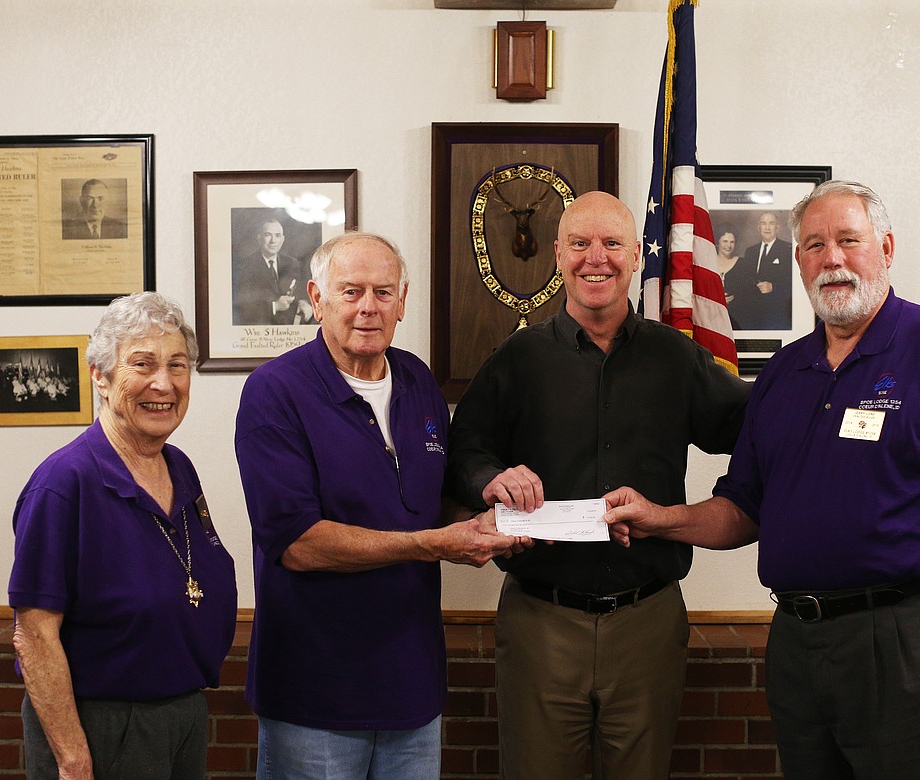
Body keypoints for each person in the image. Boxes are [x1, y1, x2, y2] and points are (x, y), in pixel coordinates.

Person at [605, 180, 920, 780]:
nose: (831, 258)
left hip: (917, 642)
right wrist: (660, 518)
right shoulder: (784, 373)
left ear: (885, 247)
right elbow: (743, 509)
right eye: (813, 245)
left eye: (848, 240)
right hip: (800, 649)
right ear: (797, 261)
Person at [448, 191, 751, 780]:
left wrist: (823, 376)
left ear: (637, 254)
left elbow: (745, 427)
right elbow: (465, 450)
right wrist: (490, 479)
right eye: (581, 243)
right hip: (541, 624)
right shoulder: (518, 357)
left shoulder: (676, 357)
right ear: (557, 254)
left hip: (648, 623)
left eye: (612, 243)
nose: (597, 258)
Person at [234, 231, 528, 779]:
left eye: (383, 292)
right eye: (351, 292)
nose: (368, 307)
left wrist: (487, 526)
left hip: (411, 687)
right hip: (314, 694)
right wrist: (434, 545)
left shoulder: (417, 380)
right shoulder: (274, 392)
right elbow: (298, 545)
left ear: (403, 299)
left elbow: (432, 505)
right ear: (316, 299)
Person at [9, 292, 238, 779]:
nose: (164, 382)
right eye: (142, 364)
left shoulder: (179, 467)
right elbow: (34, 634)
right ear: (101, 377)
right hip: (103, 725)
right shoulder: (63, 485)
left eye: (177, 365)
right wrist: (72, 760)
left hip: (181, 714)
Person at [232, 216, 312, 325]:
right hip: (257, 332)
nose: (273, 241)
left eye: (277, 236)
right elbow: (241, 306)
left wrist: (302, 302)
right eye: (268, 235)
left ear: (282, 239)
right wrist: (275, 306)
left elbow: (296, 292)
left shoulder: (292, 263)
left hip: (289, 332)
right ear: (259, 238)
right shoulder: (245, 266)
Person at [733, 210, 793, 330]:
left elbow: (793, 282)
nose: (767, 227)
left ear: (777, 227)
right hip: (752, 311)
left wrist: (773, 287)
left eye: (771, 223)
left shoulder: (787, 249)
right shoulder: (750, 251)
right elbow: (745, 279)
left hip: (776, 311)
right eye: (763, 223)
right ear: (758, 227)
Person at [62, 179, 127, 240]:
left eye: (100, 198)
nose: (95, 205)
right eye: (90, 198)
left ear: (107, 201)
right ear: (81, 201)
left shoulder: (119, 228)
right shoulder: (66, 229)